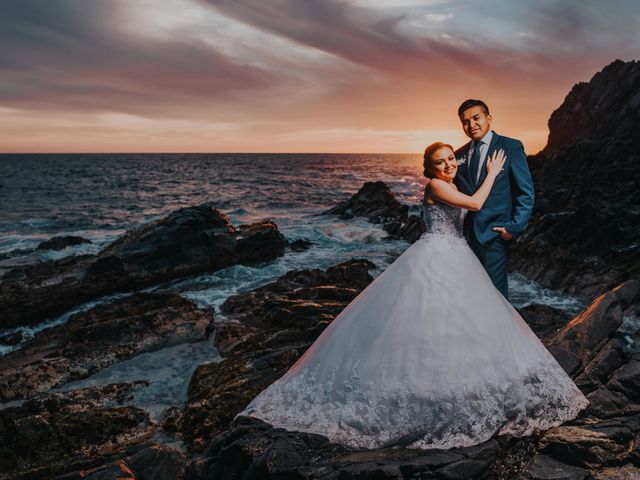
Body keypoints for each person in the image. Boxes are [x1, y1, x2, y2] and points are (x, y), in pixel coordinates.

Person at [234, 142, 587, 450]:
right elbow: (476, 203)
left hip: (455, 254)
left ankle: (454, 389)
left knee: (457, 324)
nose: (448, 165)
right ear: (429, 169)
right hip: (437, 255)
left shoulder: (449, 182)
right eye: (440, 162)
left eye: (451, 159)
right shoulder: (436, 186)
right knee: (425, 320)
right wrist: (493, 171)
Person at [454, 99, 534, 300]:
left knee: (494, 298)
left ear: (489, 118)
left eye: (476, 118)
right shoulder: (459, 154)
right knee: (469, 295)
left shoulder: (510, 147)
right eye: (465, 122)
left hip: (494, 236)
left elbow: (526, 192)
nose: (471, 125)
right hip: (465, 239)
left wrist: (513, 228)